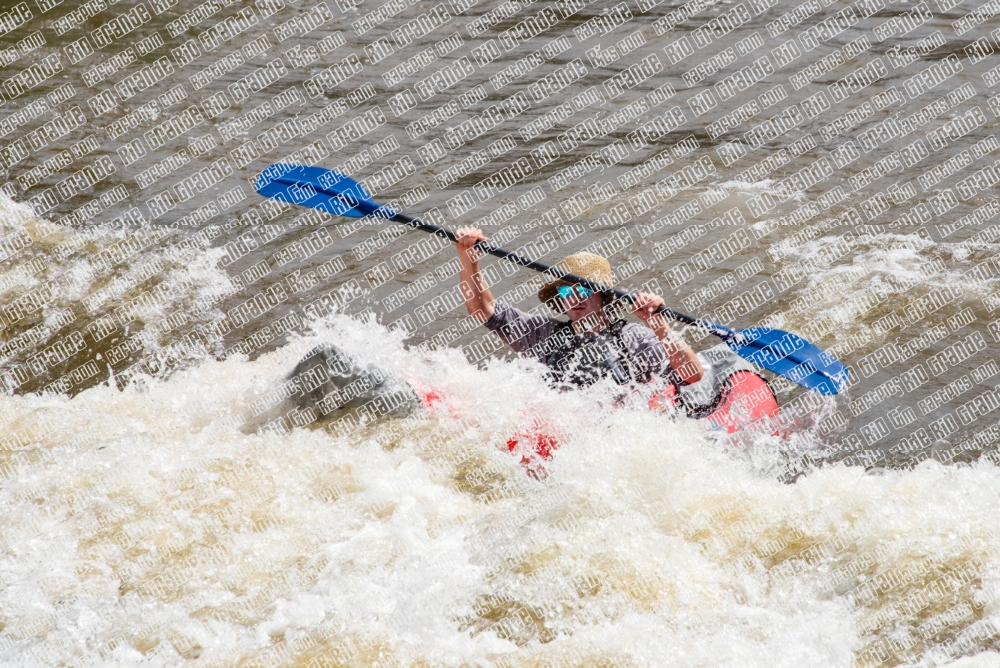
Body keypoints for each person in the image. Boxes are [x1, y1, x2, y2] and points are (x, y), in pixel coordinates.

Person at [454, 226, 704, 396]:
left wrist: (658, 324)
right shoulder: (543, 333)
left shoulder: (633, 337)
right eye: (565, 292)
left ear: (604, 297)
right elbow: (481, 309)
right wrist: (469, 258)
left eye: (584, 290)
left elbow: (693, 375)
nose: (574, 297)